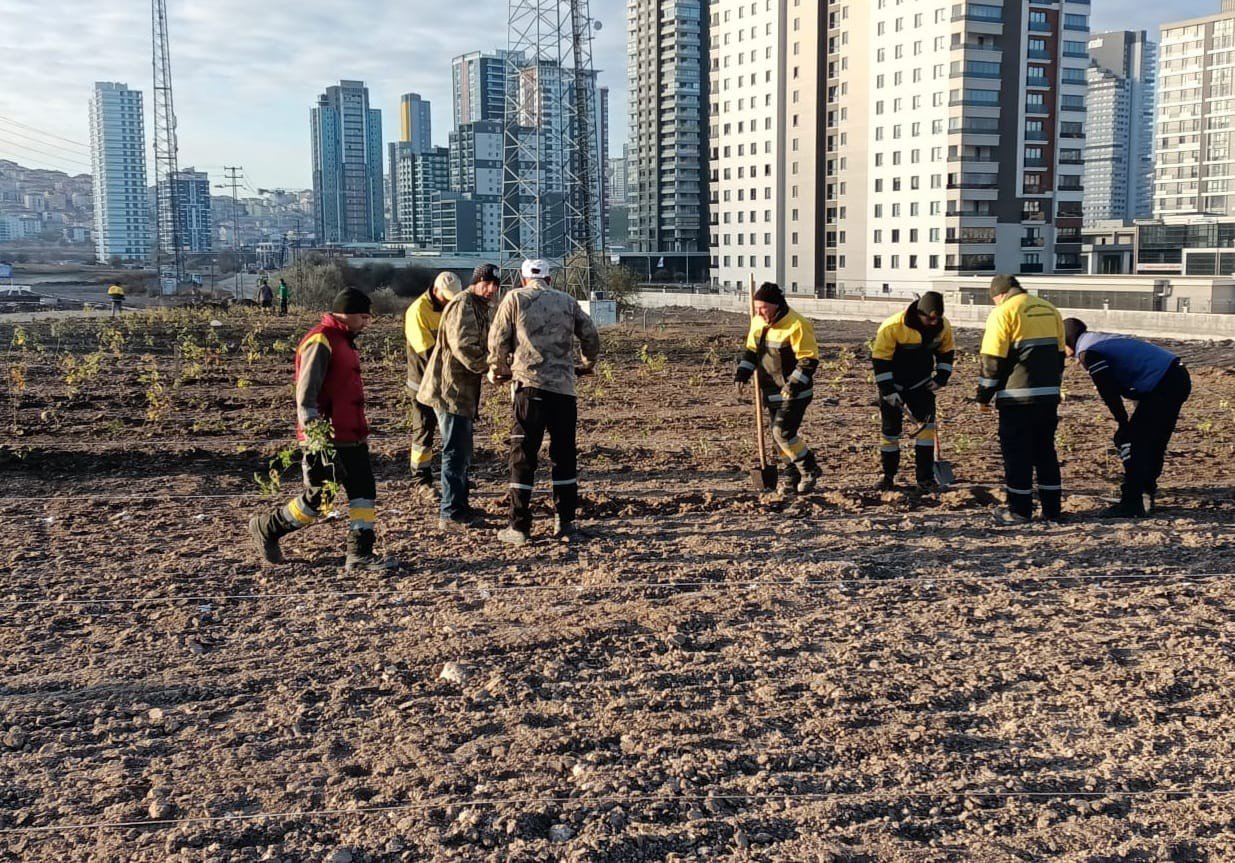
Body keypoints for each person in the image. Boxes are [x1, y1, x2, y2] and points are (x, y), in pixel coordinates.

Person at [248, 288, 399, 573]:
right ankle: (268, 527)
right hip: (325, 438)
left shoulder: (344, 340)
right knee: (320, 499)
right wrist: (315, 440)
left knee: (364, 492)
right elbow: (305, 396)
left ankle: (360, 554)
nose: (367, 323)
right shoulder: (321, 340)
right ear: (349, 313)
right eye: (364, 317)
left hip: (353, 435)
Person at [488, 258, 600, 545]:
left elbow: (498, 338)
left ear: (524, 279)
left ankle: (519, 526)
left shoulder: (514, 298)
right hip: (563, 390)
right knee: (564, 456)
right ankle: (565, 522)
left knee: (523, 456)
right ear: (549, 280)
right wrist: (586, 364)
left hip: (529, 388)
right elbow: (590, 335)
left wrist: (498, 369)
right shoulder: (567, 301)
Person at [1063, 318, 1192, 518]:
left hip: (1163, 383)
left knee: (1132, 441)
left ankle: (1132, 502)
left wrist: (1122, 423)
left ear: (1067, 341)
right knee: (1153, 441)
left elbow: (1108, 390)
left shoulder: (1088, 352)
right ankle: (1145, 492)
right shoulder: (1095, 340)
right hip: (1174, 376)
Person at [977, 275, 1066, 524]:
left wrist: (983, 396)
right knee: (1045, 451)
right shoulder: (1050, 309)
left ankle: (1019, 511)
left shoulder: (1003, 312)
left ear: (1000, 295)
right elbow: (1060, 356)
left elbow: (991, 361)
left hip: (1017, 398)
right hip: (1048, 397)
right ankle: (1052, 511)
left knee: (1017, 455)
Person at [418, 264, 501, 531]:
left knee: (463, 451)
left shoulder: (479, 306)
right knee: (455, 451)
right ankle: (450, 512)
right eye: (486, 284)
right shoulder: (463, 304)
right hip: (450, 390)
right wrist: (490, 367)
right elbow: (463, 346)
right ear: (476, 282)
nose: (491, 290)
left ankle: (460, 505)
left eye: (495, 285)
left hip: (463, 391)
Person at [733, 282, 823, 494]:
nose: (758, 312)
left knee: (782, 432)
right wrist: (742, 373)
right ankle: (791, 476)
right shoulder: (757, 322)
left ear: (775, 305)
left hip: (796, 391)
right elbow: (752, 352)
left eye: (763, 308)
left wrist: (794, 382)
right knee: (778, 438)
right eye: (756, 308)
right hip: (770, 389)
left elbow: (809, 360)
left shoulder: (797, 324)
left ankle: (809, 468)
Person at [870, 291, 955, 492]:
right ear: (919, 313)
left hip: (922, 385)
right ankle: (887, 475)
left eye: (937, 319)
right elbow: (880, 360)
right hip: (894, 386)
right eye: (929, 318)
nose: (933, 323)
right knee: (890, 433)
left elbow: (946, 353)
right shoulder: (893, 326)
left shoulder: (943, 326)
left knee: (926, 431)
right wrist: (888, 390)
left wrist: (941, 379)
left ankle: (925, 478)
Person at [404, 272, 461, 499]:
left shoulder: (450, 306)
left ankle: (454, 476)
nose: (449, 302)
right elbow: (428, 352)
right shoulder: (417, 311)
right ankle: (421, 481)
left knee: (452, 433)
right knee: (424, 433)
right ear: (436, 290)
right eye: (447, 298)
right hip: (422, 384)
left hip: (447, 383)